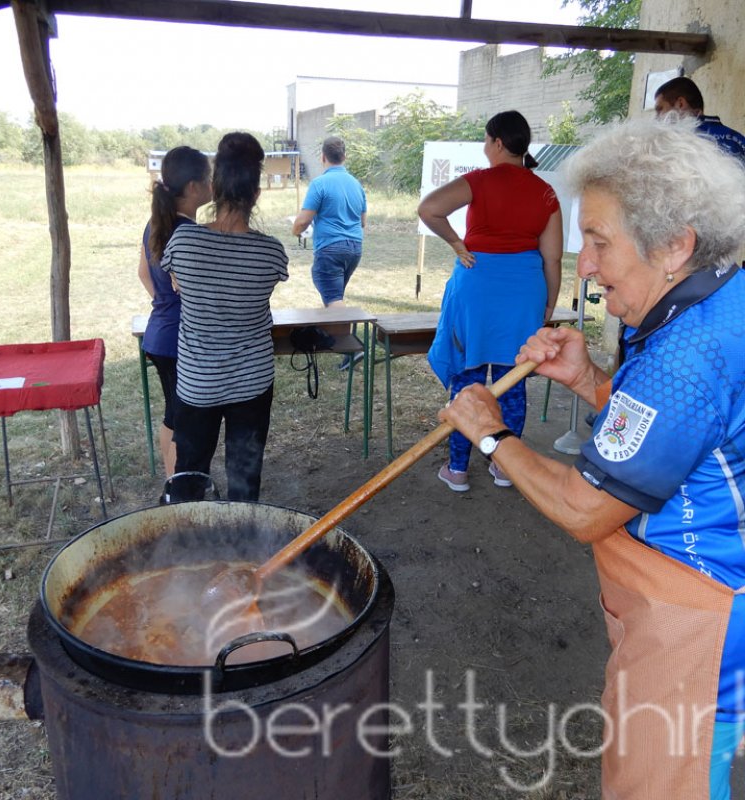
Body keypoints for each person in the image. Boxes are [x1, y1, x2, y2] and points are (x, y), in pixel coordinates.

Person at [440, 117, 745, 799]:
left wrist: (491, 435)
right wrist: (588, 382)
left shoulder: (687, 358)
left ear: (674, 245)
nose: (582, 266)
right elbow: (673, 437)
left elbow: (583, 508)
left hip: (696, 617)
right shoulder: (714, 302)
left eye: (600, 242)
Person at [418, 110, 562, 492]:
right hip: (524, 293)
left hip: (477, 288)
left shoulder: (480, 181)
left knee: (467, 379)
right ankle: (503, 467)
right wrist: (549, 303)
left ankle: (458, 469)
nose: (485, 147)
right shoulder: (544, 192)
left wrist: (456, 243)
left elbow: (429, 209)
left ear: (497, 143)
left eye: (485, 140)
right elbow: (553, 258)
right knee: (511, 381)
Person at [161, 133, 289, 502]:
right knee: (245, 478)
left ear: (214, 187)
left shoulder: (184, 243)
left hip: (198, 382)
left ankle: (191, 550)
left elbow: (177, 285)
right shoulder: (271, 253)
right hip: (252, 381)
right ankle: (244, 551)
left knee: (189, 475)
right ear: (257, 193)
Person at [137, 146, 212, 478]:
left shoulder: (153, 224)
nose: (214, 185)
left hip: (159, 335)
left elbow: (144, 273)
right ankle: (179, 494)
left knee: (173, 414)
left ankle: (172, 484)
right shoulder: (188, 234)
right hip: (181, 342)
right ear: (194, 187)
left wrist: (164, 305)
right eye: (209, 179)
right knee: (185, 420)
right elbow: (184, 286)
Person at [292, 136, 367, 370]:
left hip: (331, 248)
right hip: (354, 247)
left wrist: (295, 230)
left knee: (333, 299)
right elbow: (362, 221)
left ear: (323, 157)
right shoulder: (356, 184)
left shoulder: (319, 184)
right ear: (345, 156)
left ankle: (350, 348)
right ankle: (342, 344)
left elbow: (303, 220)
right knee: (335, 296)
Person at [655, 75, 745, 164]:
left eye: (660, 109)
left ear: (680, 104)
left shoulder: (676, 144)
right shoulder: (737, 139)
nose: (656, 118)